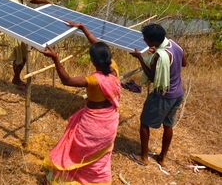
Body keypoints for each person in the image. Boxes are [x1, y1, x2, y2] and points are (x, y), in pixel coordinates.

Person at [39, 21, 121, 184]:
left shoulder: (94, 80)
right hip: (109, 125)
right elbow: (98, 45)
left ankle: (76, 178)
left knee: (78, 151)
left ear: (93, 61)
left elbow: (67, 80)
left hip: (92, 126)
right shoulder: (114, 70)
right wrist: (83, 28)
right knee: (99, 158)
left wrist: (55, 58)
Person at [129, 24, 186, 167]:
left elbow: (153, 77)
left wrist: (140, 59)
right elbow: (183, 63)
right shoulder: (174, 44)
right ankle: (163, 158)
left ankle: (144, 158)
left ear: (153, 41)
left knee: (144, 122)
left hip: (163, 95)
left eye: (145, 38)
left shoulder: (160, 57)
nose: (144, 40)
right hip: (177, 94)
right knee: (168, 125)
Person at [4, 0, 52, 90]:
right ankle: (16, 79)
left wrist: (45, 2)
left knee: (25, 55)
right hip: (14, 31)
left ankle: (17, 78)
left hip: (24, 30)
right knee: (18, 57)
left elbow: (32, 0)